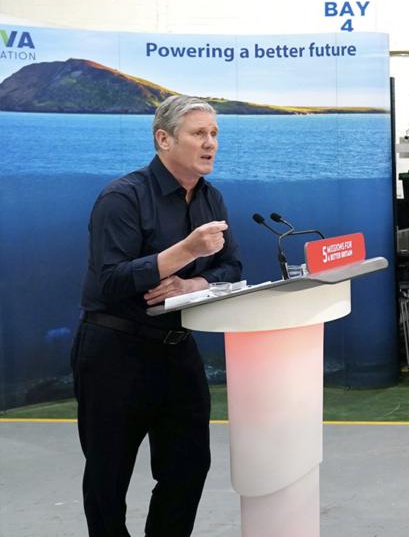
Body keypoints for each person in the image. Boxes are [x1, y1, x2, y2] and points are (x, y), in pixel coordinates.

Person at [71, 95, 242, 536]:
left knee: (188, 468)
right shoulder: (122, 197)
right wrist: (184, 252)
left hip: (177, 349)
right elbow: (109, 281)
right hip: (115, 351)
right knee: (108, 476)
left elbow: (231, 267)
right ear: (163, 139)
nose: (210, 144)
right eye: (199, 134)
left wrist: (194, 284)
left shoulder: (211, 199)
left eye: (214, 134)